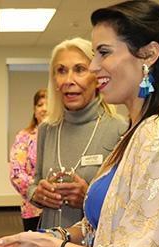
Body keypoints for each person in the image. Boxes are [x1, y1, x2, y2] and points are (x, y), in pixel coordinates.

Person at [0, 0, 159, 247]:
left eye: (104, 52)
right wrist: (53, 237)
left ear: (148, 54)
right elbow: (105, 221)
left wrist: (53, 245)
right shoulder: (139, 131)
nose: (93, 67)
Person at [28, 37, 127, 236]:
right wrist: (38, 194)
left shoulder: (120, 130)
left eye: (80, 69)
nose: (68, 80)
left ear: (96, 76)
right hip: (49, 245)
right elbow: (35, 182)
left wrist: (88, 198)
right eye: (61, 71)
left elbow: (128, 205)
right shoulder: (47, 129)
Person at [9, 88, 47, 232]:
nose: (44, 109)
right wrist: (41, 193)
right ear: (34, 109)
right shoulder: (24, 137)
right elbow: (16, 174)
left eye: (49, 104)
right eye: (40, 104)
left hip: (63, 209)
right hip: (33, 208)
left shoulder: (66, 136)